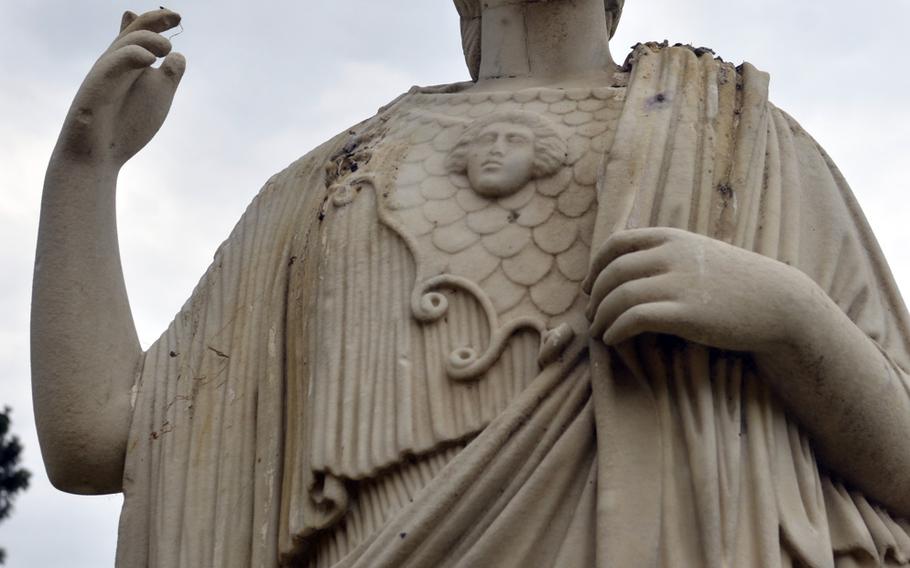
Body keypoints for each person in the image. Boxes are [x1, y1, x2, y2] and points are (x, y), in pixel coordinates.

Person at [31, 1, 910, 566]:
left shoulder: (743, 148)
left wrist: (790, 318)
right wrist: (83, 172)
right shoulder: (328, 189)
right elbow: (100, 440)